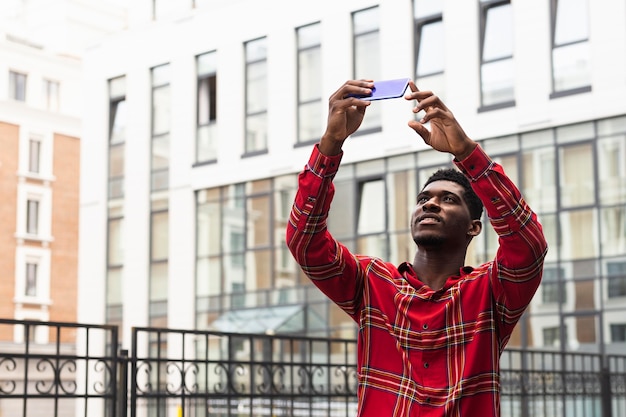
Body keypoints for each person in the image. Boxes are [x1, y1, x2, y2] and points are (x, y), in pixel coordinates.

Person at [285, 79, 548, 416]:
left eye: (448, 199)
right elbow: (304, 241)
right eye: (424, 198)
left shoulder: (491, 292)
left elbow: (529, 245)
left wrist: (466, 152)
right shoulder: (371, 282)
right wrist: (330, 144)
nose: (430, 205)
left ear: (474, 227)